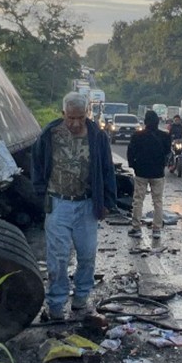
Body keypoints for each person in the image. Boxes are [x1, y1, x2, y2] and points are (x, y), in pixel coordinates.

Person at [31, 92, 118, 321]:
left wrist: (107, 201)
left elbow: (107, 169)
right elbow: (37, 164)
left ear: (87, 114)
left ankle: (81, 298)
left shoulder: (98, 137)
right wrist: (41, 192)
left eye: (80, 117)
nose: (76, 123)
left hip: (87, 206)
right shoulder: (50, 134)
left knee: (87, 255)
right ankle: (56, 304)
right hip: (58, 204)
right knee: (58, 258)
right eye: (71, 118)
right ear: (63, 114)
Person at [126, 110, 171, 239]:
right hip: (158, 172)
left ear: (145, 122)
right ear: (157, 122)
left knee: (138, 200)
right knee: (158, 201)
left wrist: (133, 166)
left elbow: (131, 153)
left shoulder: (137, 136)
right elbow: (168, 153)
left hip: (141, 172)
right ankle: (157, 229)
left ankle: (136, 227)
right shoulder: (165, 136)